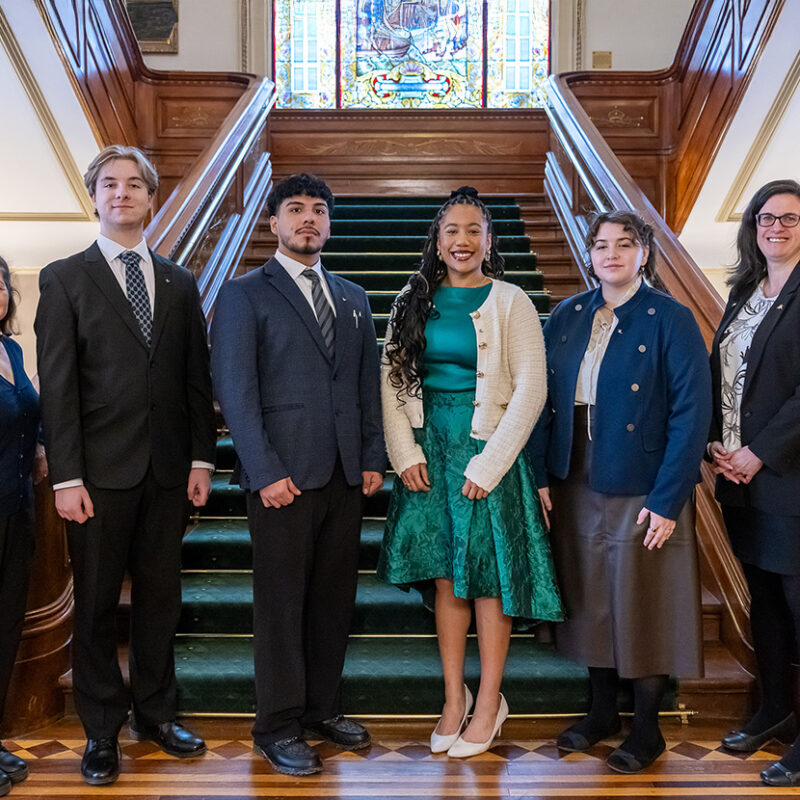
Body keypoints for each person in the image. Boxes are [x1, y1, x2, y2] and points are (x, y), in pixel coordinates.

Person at [34, 146, 216, 786]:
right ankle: (101, 731)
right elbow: (57, 387)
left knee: (161, 603)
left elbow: (197, 378)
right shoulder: (63, 278)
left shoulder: (181, 282)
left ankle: (157, 716)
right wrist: (66, 476)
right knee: (95, 611)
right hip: (96, 480)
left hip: (169, 474)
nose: (121, 193)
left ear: (150, 197)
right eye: (109, 184)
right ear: (95, 197)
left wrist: (201, 457)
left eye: (133, 184)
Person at [211, 173, 386, 777]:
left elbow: (366, 385)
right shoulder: (243, 294)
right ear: (274, 223)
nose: (308, 219)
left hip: (343, 476)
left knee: (333, 601)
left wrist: (371, 456)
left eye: (318, 211)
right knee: (282, 604)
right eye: (295, 209)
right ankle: (277, 725)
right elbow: (235, 390)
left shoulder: (354, 296)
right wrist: (262, 470)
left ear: (329, 224)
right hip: (280, 476)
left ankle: (320, 708)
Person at [378, 187, 562, 759]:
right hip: (429, 447)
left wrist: (491, 462)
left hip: (489, 452)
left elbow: (532, 390)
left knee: (486, 578)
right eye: (452, 231)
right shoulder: (412, 298)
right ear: (437, 241)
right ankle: (452, 699)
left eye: (473, 231)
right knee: (444, 576)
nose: (462, 241)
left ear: (489, 241)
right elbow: (391, 380)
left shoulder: (512, 301)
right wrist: (404, 453)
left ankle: (488, 702)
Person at [528, 210, 711, 774]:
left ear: (644, 253)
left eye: (623, 244)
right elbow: (540, 399)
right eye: (601, 245)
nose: (610, 254)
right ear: (588, 254)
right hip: (574, 474)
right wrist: (538, 474)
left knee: (643, 600)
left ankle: (648, 729)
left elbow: (691, 412)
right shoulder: (566, 314)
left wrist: (668, 497)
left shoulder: (670, 318)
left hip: (643, 477)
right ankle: (602, 712)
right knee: (590, 598)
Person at [708, 180, 800, 787]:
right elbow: (726, 375)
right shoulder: (744, 291)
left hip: (788, 478)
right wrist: (717, 442)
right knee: (763, 600)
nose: (776, 228)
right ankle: (773, 710)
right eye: (766, 218)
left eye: (790, 219)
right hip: (738, 479)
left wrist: (759, 454)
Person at [0, 257, 47, 794]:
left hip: (15, 512)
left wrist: (37, 447)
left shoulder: (11, 350)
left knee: (4, 631)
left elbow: (27, 417)